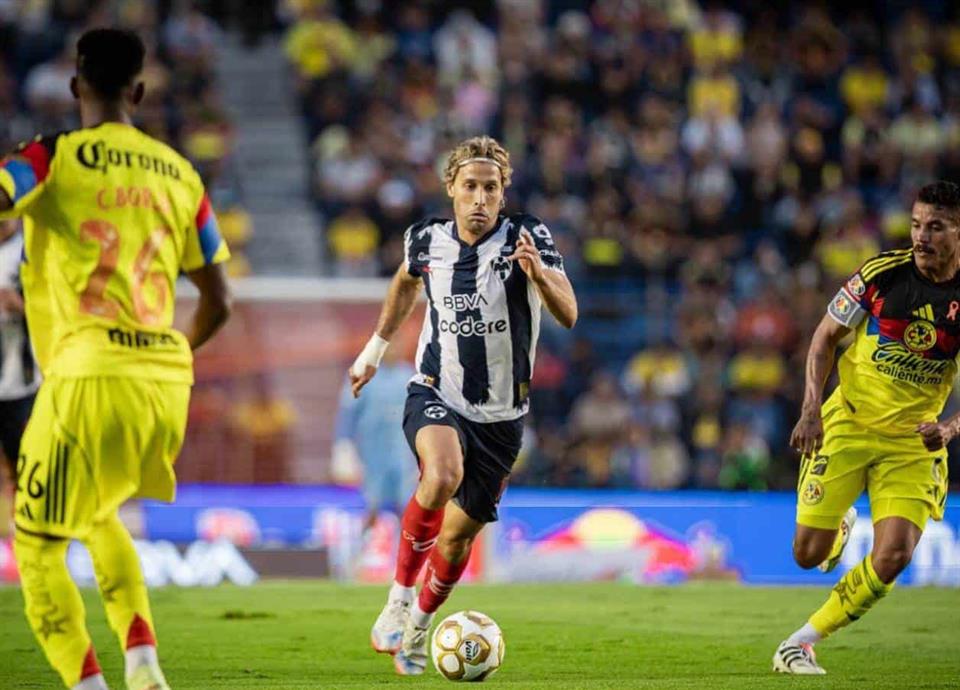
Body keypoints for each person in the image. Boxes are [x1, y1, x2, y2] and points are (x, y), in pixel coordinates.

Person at [0, 28, 231, 690]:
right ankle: (142, 660)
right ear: (139, 90)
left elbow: (4, 193)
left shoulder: (51, 157)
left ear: (76, 86)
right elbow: (220, 300)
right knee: (97, 514)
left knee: (36, 542)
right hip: (164, 381)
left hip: (84, 373)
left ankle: (88, 683)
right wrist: (166, 353)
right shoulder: (182, 175)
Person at [350, 135, 577, 675]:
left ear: (503, 193)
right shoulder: (425, 239)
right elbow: (405, 283)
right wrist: (374, 351)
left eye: (491, 188)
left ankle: (419, 627)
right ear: (451, 187)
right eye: (470, 186)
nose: (480, 198)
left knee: (455, 541)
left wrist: (539, 276)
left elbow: (568, 313)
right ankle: (399, 598)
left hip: (502, 417)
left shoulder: (527, 237)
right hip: (436, 391)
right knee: (441, 474)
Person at [773, 181, 958, 675]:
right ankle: (836, 530)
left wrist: (950, 428)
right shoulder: (882, 274)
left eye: (936, 227)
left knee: (894, 555)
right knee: (806, 555)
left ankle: (801, 642)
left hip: (912, 444)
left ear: (958, 233)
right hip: (848, 423)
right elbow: (824, 338)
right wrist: (811, 408)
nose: (921, 236)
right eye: (916, 225)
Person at [334, 346, 417, 535]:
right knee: (371, 506)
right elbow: (347, 414)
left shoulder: (409, 376)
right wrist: (343, 447)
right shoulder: (363, 375)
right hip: (372, 455)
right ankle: (362, 547)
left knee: (407, 507)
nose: (392, 349)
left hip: (403, 454)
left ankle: (407, 550)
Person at [0, 219, 40, 497]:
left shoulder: (32, 250)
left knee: (26, 461)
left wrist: (21, 306)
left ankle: (22, 516)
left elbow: (55, 310)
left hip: (22, 382)